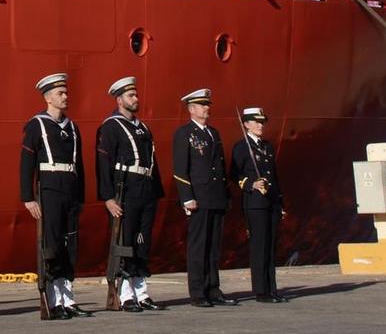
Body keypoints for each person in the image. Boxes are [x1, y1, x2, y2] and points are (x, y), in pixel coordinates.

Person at [21, 72, 85, 320]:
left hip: (70, 190)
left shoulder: (72, 127)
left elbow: (79, 165)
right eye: (60, 93)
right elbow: (26, 163)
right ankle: (52, 299)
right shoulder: (37, 125)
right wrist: (28, 197)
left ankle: (67, 300)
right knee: (53, 245)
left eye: (65, 92)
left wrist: (80, 197)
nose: (66, 96)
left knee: (70, 246)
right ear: (49, 98)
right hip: (49, 190)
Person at [96, 76, 164, 312]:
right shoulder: (111, 126)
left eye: (135, 95)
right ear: (119, 99)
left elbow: (152, 161)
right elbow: (103, 163)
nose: (135, 99)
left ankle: (141, 291)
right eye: (130, 95)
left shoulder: (142, 127)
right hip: (125, 190)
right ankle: (125, 294)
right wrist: (108, 198)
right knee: (125, 242)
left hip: (145, 189)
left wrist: (156, 193)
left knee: (142, 241)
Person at [172, 87, 234, 307]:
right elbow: (180, 169)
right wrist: (187, 197)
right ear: (191, 108)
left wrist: (226, 195)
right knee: (198, 246)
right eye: (202, 105)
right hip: (198, 197)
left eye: (208, 104)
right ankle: (198, 292)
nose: (207, 108)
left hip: (215, 197)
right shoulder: (184, 133)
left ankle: (213, 287)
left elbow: (220, 167)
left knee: (214, 245)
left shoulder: (213, 133)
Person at [231, 106, 287, 303]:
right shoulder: (241, 147)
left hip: (270, 201)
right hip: (255, 203)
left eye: (262, 121)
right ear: (246, 124)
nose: (260, 125)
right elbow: (235, 174)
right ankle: (261, 291)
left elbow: (275, 176)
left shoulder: (267, 147)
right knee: (259, 246)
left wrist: (280, 202)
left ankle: (272, 288)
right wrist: (250, 184)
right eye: (256, 121)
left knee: (270, 246)